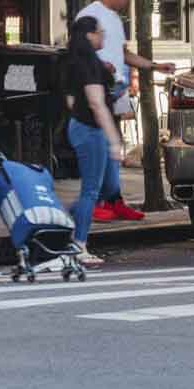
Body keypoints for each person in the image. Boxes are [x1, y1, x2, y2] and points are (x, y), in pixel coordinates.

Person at [76, 0, 175, 222]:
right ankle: (96, 202)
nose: (129, 0)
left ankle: (113, 198)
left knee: (114, 145)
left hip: (116, 90)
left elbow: (123, 53)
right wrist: (100, 67)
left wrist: (153, 66)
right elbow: (78, 51)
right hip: (98, 90)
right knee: (104, 146)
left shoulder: (116, 20)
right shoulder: (90, 15)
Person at [62, 15, 129, 267]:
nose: (103, 36)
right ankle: (79, 244)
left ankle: (62, 219)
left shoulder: (75, 61)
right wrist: (113, 139)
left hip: (81, 126)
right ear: (89, 35)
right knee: (92, 189)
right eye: (100, 32)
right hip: (91, 129)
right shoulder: (88, 63)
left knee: (106, 187)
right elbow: (96, 103)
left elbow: (71, 100)